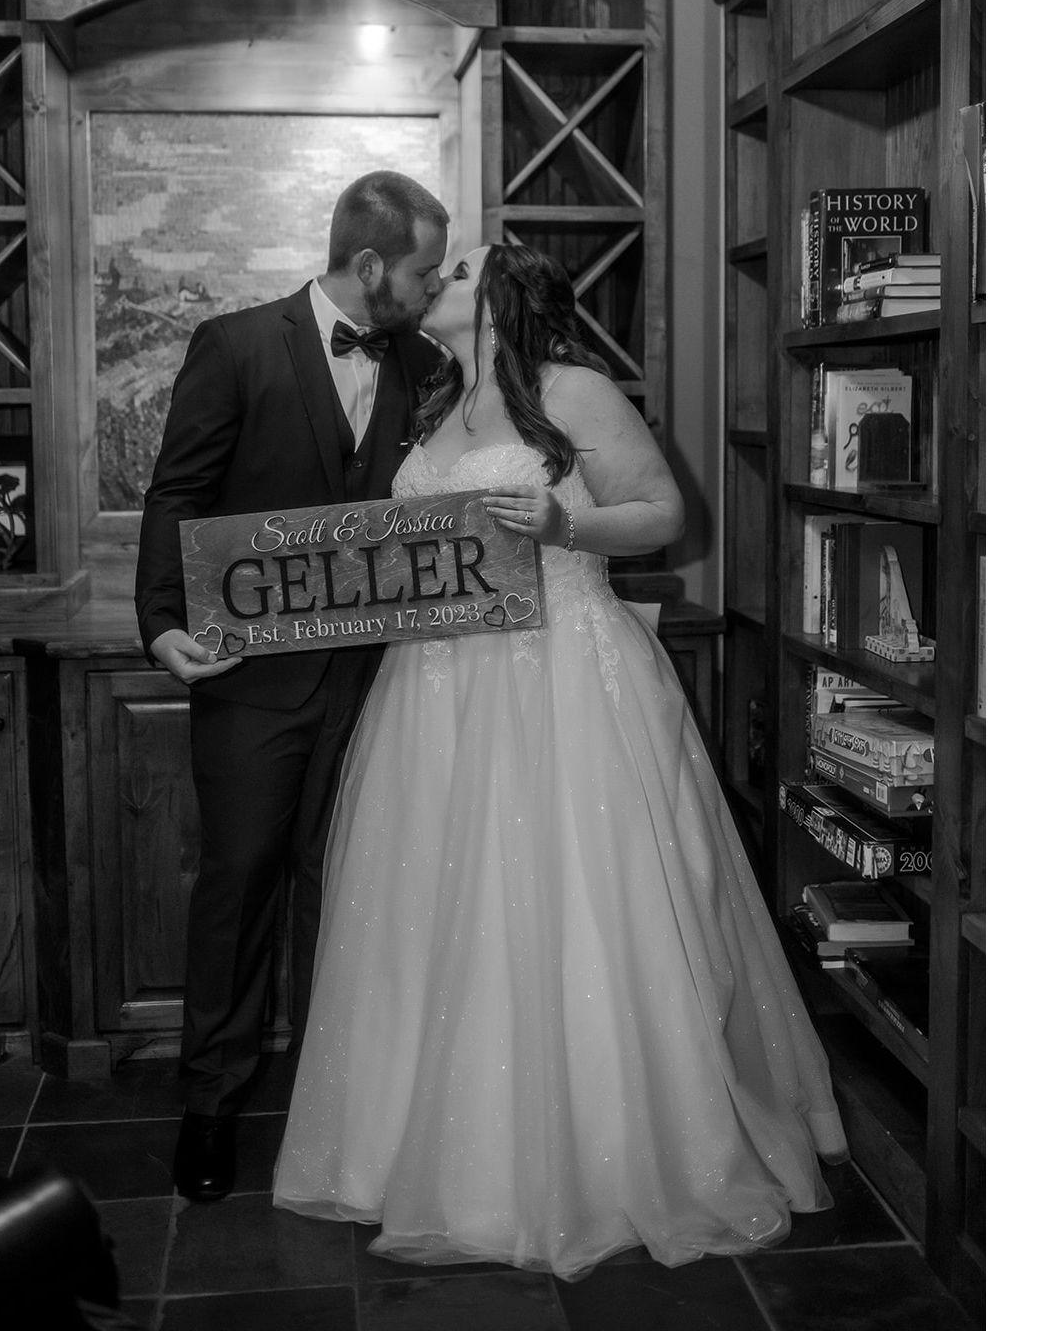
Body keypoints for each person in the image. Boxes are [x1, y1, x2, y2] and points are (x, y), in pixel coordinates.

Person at [272, 243, 848, 1278]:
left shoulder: (570, 390)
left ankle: (596, 1153)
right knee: (437, 900)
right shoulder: (436, 405)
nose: (433, 281)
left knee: (570, 893)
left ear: (502, 297)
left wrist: (562, 521)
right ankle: (422, 1146)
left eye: (455, 271)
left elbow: (663, 514)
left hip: (560, 675)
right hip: (437, 685)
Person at [134, 170, 449, 1204]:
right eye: (421, 271)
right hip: (251, 681)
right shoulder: (233, 346)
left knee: (348, 886)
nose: (432, 286)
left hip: (377, 680)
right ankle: (210, 1108)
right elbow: (178, 491)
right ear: (370, 266)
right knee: (238, 888)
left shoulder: (426, 365)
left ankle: (335, 1108)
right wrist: (163, 623)